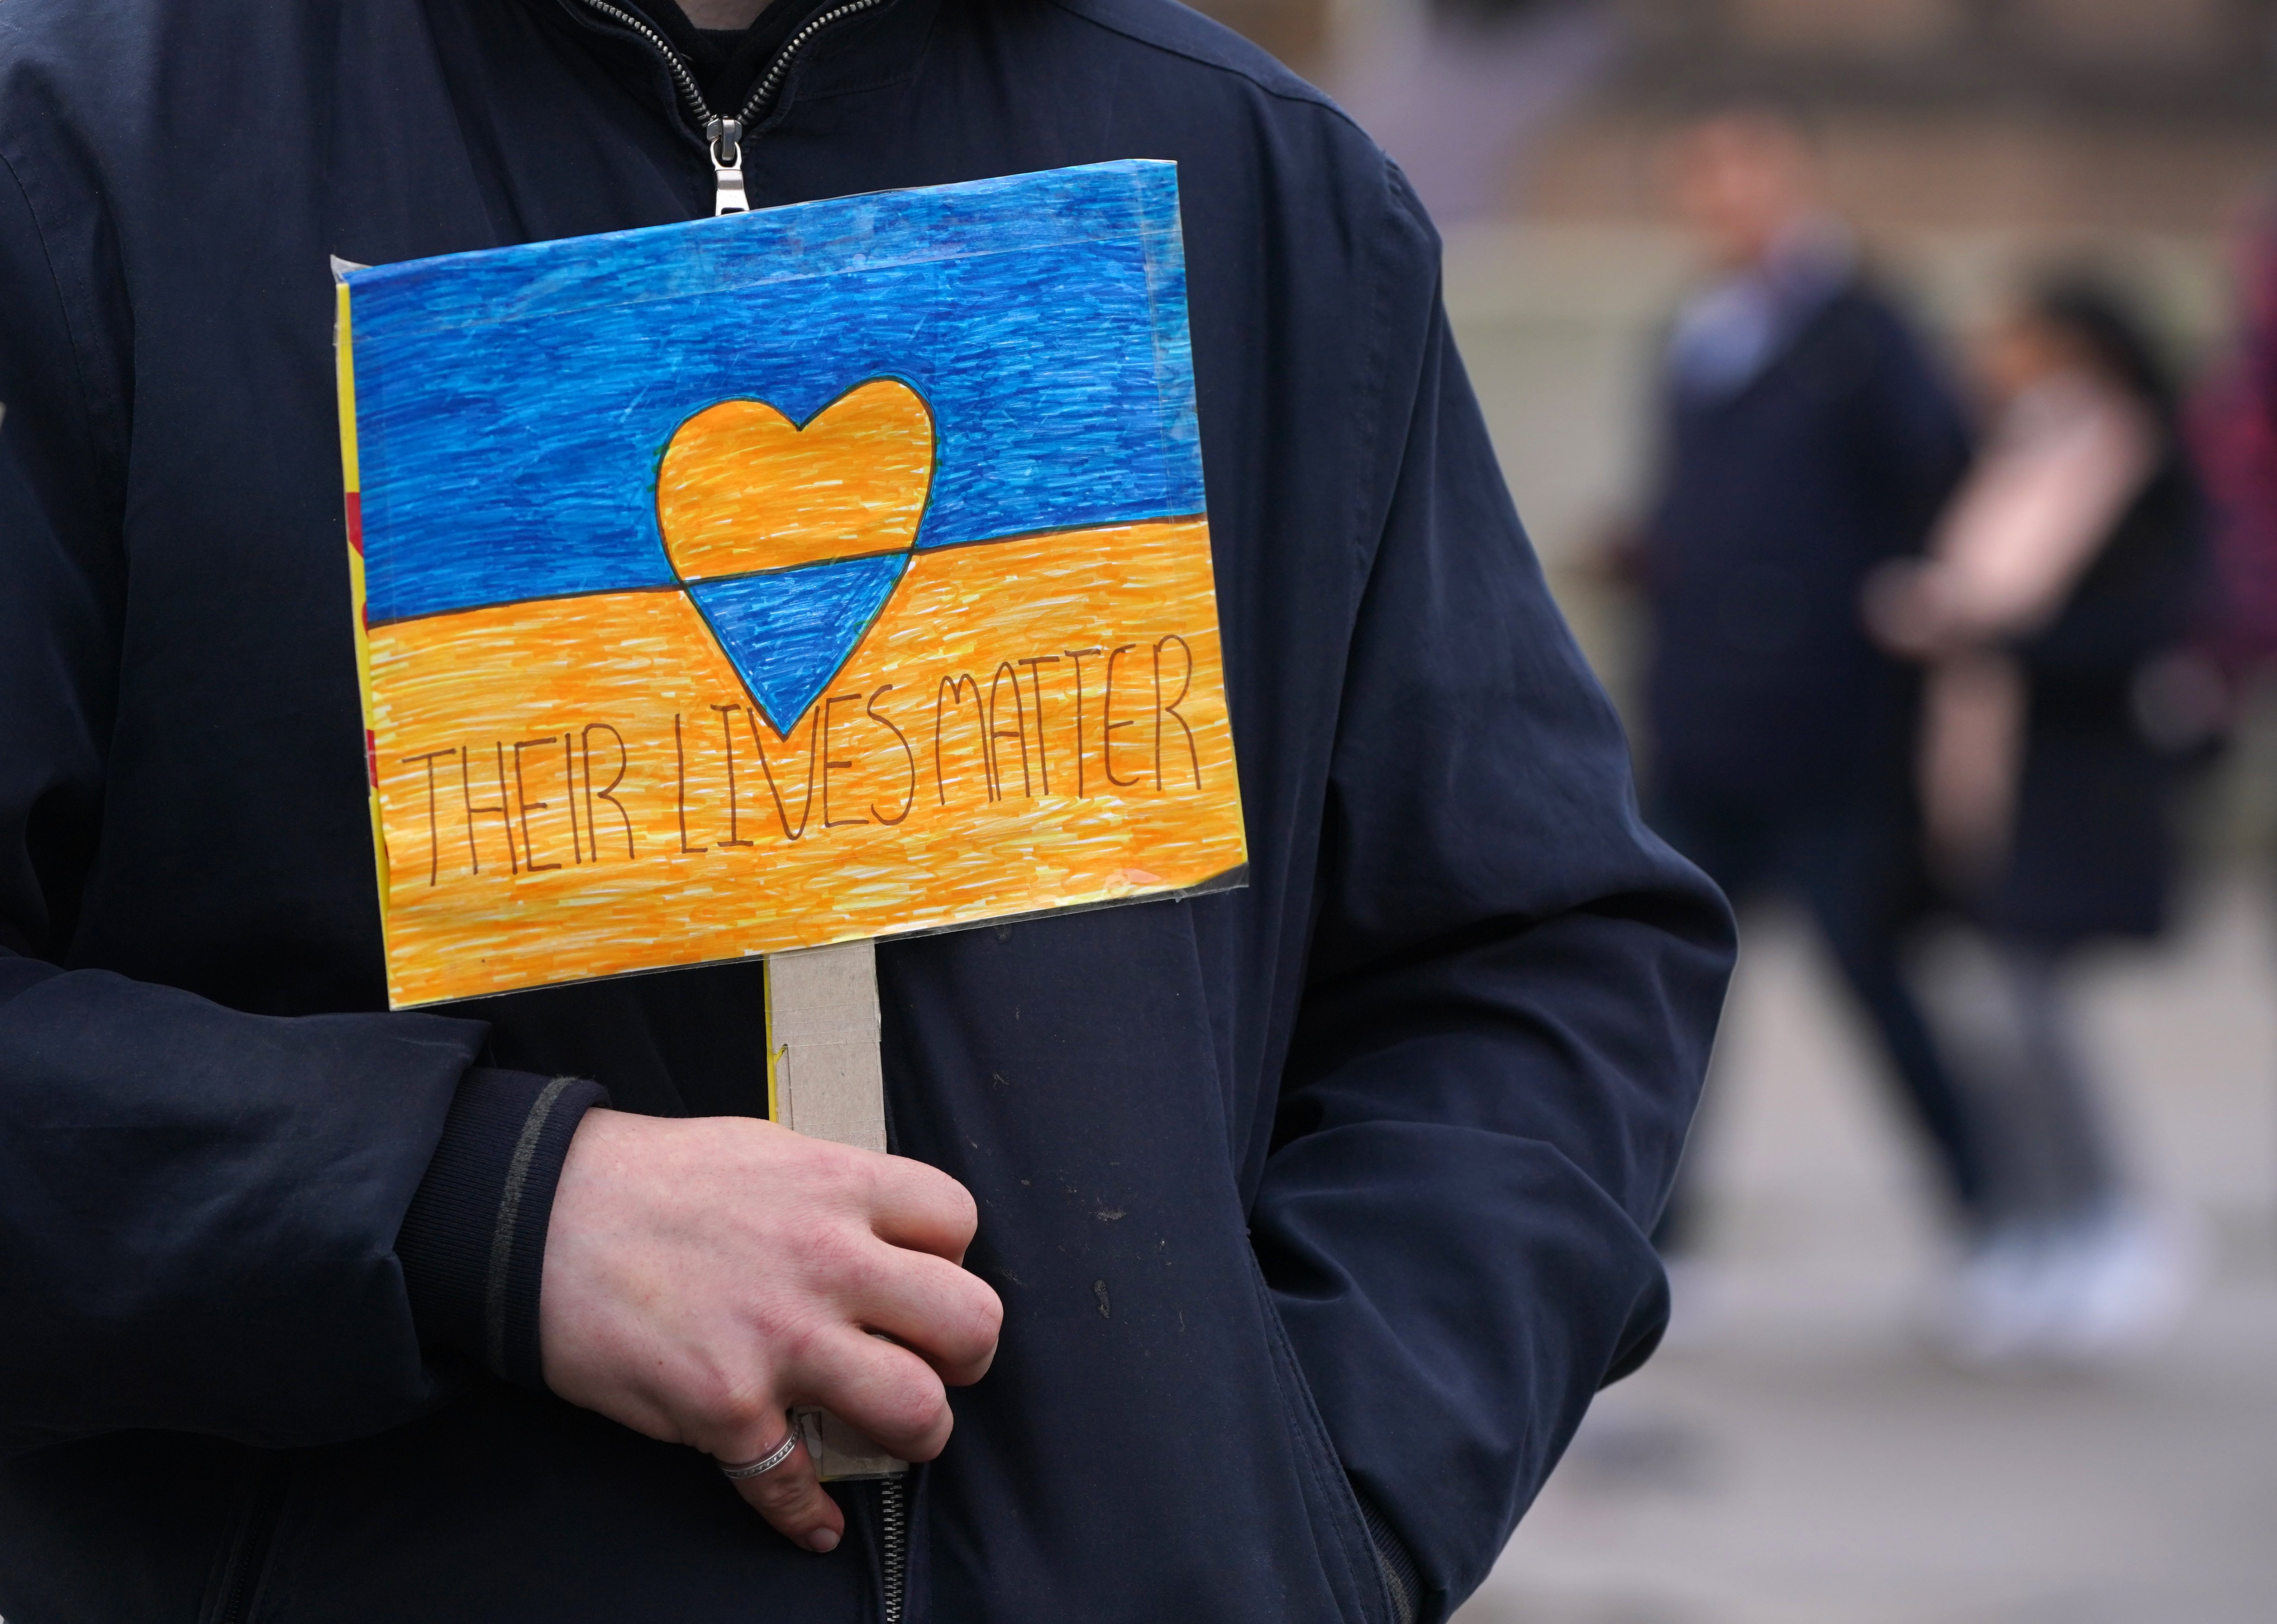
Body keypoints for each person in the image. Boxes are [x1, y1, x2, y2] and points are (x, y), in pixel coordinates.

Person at [0, 1, 1733, 1620]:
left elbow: (1533, 948)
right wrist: (490, 1210)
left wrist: (1326, 1503)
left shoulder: (1261, 179)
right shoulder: (80, 152)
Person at [1635, 110, 1989, 1266]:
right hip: (1706, 727)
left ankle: (1990, 1213)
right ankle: (1662, 1246)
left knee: (1875, 982)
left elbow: (1931, 483)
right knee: (1668, 990)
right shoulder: (1696, 330)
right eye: (1706, 178)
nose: (1723, 199)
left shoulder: (1861, 329)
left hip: (1827, 733)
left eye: (1746, 174)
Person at [1865, 276, 2208, 1362]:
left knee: (2029, 1012)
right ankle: (2035, 1228)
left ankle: (2110, 1220)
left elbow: (2135, 629)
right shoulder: (2009, 451)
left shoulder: (2138, 467)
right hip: (1975, 770)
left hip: (2071, 779)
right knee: (1980, 1013)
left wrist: (1981, 631)